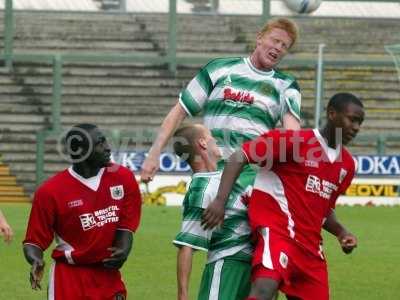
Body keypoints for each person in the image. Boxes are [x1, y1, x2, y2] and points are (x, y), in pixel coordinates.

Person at [141, 17, 302, 299]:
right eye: (275, 40)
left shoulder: (285, 84)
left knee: (260, 260)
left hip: (254, 181)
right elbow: (179, 111)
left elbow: (292, 135)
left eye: (285, 46)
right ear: (259, 37)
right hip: (215, 178)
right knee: (220, 252)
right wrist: (153, 154)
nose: (278, 48)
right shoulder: (219, 69)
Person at [202, 93, 364, 300]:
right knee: (264, 290)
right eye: (352, 119)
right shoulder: (293, 142)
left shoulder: (347, 166)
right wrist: (220, 201)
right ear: (332, 114)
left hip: (311, 249)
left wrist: (342, 233)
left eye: (360, 122)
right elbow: (239, 156)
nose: (357, 127)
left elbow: (322, 210)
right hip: (278, 234)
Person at [23, 123, 142, 300]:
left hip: (107, 275)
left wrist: (123, 249)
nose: (108, 148)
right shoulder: (50, 191)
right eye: (100, 143)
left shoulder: (123, 177)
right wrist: (36, 260)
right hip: (68, 278)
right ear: (80, 151)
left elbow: (126, 224)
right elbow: (34, 241)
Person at [172, 123, 223, 300]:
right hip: (227, 264)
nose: (216, 140)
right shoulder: (201, 189)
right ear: (202, 143)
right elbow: (187, 245)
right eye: (211, 137)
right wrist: (183, 295)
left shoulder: (225, 169)